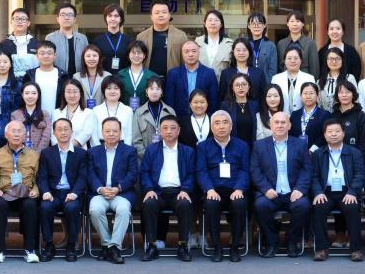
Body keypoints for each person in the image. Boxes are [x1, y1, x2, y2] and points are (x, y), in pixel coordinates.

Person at [250, 112, 312, 258]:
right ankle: (272, 242)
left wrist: (300, 189)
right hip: (270, 192)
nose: (279, 125)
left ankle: (291, 241)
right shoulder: (259, 145)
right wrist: (266, 189)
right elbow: (255, 170)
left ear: (289, 125)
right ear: (270, 125)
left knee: (303, 205)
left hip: (293, 192)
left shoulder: (300, 145)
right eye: (276, 122)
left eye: (283, 122)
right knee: (260, 205)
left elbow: (307, 169)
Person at [140, 115, 196, 262]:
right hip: (157, 192)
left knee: (185, 204)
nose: (169, 131)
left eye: (172, 128)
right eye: (165, 128)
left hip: (179, 192)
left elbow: (192, 174)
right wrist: (149, 189)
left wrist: (185, 190)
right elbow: (144, 172)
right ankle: (151, 246)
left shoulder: (188, 151)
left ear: (179, 131)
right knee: (149, 203)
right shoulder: (151, 150)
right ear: (160, 131)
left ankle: (182, 246)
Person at [195, 110, 249, 262]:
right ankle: (217, 247)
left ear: (231, 126)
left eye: (225, 123)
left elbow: (245, 170)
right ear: (212, 128)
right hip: (214, 189)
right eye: (217, 123)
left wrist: (239, 188)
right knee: (211, 204)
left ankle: (235, 246)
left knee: (240, 203)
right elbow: (201, 171)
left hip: (235, 189)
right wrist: (209, 189)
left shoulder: (242, 146)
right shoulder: (203, 146)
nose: (221, 126)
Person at [310, 118, 365, 262]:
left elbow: (360, 175)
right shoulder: (318, 154)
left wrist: (352, 192)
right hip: (325, 191)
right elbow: (313, 176)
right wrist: (318, 192)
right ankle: (321, 249)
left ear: (343, 133)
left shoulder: (354, 153)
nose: (333, 134)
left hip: (347, 191)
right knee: (318, 207)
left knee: (352, 207)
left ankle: (355, 249)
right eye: (330, 132)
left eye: (337, 131)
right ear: (324, 135)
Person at [88, 117, 140, 264]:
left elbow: (133, 174)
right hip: (100, 193)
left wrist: (118, 188)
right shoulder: (93, 152)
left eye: (115, 131)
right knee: (95, 209)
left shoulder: (130, 151)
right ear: (102, 133)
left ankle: (113, 247)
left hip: (122, 193)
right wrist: (100, 189)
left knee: (123, 210)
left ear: (120, 133)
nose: (111, 134)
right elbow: (90, 174)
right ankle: (109, 246)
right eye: (108, 131)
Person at [0, 121, 42, 263]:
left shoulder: (34, 155)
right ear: (6, 135)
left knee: (30, 205)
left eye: (20, 131)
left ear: (25, 136)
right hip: (5, 193)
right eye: (13, 131)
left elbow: (40, 178)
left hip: (26, 193)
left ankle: (30, 249)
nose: (16, 134)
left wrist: (36, 189)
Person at [38, 118, 90, 262]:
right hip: (53, 193)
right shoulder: (46, 153)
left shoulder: (81, 153)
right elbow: (42, 176)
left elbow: (83, 177)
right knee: (45, 207)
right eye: (59, 129)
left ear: (72, 131)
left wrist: (75, 193)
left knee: (72, 208)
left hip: (72, 193)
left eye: (66, 129)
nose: (63, 132)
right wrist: (45, 191)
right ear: (54, 133)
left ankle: (71, 245)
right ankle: (49, 245)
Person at [165, 40, 219, 117]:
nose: (190, 54)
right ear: (182, 54)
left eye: (194, 51)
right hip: (179, 118)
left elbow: (214, 100)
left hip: (203, 118)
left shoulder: (209, 73)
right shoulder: (173, 74)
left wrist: (208, 118)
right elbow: (169, 100)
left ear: (199, 52)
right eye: (186, 51)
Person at [137, 1, 189, 75]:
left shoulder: (181, 36)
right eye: (157, 13)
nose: (161, 15)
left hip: (173, 78)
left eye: (164, 12)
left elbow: (185, 60)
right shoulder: (141, 36)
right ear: (151, 16)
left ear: (169, 15)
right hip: (148, 78)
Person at [23, 40, 69, 119]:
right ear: (37, 55)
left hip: (58, 118)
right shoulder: (29, 75)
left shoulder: (64, 76)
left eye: (49, 53)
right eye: (42, 53)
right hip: (34, 119)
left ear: (55, 55)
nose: (46, 56)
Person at [132, 76, 176, 157]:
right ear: (146, 91)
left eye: (158, 89)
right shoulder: (139, 112)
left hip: (167, 156)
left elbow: (174, 137)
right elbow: (136, 140)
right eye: (151, 89)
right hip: (145, 158)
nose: (154, 92)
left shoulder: (170, 112)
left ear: (161, 92)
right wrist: (147, 156)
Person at [330, 80, 365, 162]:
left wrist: (359, 161)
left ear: (353, 95)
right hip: (335, 159)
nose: (344, 95)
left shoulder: (360, 115)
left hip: (355, 160)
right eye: (341, 92)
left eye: (348, 92)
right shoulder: (332, 116)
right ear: (337, 95)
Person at [218, 37, 267, 104]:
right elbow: (222, 97)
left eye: (244, 50)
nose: (241, 53)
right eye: (238, 50)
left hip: (255, 109)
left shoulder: (259, 73)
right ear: (233, 52)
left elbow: (263, 96)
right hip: (232, 109)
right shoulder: (225, 73)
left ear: (249, 52)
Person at [46, 2, 90, 76]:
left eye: (70, 15)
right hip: (57, 78)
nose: (66, 18)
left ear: (75, 19)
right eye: (63, 15)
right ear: (58, 19)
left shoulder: (82, 38)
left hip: (79, 79)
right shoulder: (50, 38)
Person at [54, 79, 98, 148]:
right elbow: (53, 135)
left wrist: (68, 147)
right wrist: (59, 148)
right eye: (68, 92)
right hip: (58, 151)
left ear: (80, 93)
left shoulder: (89, 112)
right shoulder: (56, 113)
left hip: (80, 151)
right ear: (63, 94)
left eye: (75, 92)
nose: (72, 95)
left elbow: (86, 133)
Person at [115, 40, 159, 110]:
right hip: (124, 112)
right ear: (128, 55)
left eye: (139, 53)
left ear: (144, 55)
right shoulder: (119, 75)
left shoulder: (153, 76)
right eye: (133, 53)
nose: (136, 55)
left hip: (145, 113)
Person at [271, 47, 317, 113]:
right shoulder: (276, 79)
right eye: (289, 58)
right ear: (285, 61)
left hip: (303, 116)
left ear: (301, 60)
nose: (292, 61)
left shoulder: (309, 78)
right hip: (282, 116)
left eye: (296, 58)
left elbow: (313, 102)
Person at [9, 82, 53, 152]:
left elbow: (46, 138)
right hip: (20, 154)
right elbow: (14, 136)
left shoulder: (45, 114)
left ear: (38, 95)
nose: (30, 96)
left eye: (34, 93)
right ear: (22, 95)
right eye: (27, 93)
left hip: (40, 154)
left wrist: (36, 154)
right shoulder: (15, 115)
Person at [92, 76, 135, 146]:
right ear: (104, 91)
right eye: (109, 88)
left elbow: (129, 135)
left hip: (122, 146)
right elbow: (94, 135)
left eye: (116, 88)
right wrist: (98, 150)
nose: (112, 91)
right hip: (101, 146)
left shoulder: (128, 110)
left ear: (121, 91)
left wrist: (126, 150)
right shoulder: (96, 110)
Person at [219, 73, 260, 146]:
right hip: (233, 147)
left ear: (249, 86)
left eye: (244, 84)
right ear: (232, 88)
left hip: (253, 146)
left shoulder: (255, 105)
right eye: (237, 85)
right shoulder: (225, 105)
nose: (240, 87)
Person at [0, 7, 40, 79]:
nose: (20, 21)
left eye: (23, 19)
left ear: (28, 23)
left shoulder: (37, 44)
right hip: (10, 83)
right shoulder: (3, 45)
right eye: (16, 19)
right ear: (11, 22)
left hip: (31, 83)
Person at [276, 10, 320, 77]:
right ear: (287, 24)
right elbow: (279, 67)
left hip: (305, 80)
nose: (295, 24)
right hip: (285, 80)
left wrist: (312, 82)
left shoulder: (310, 43)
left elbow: (314, 68)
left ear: (303, 24)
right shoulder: (281, 44)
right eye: (292, 21)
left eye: (298, 21)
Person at [290, 81, 332, 150]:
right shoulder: (295, 114)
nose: (308, 96)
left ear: (317, 95)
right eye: (305, 93)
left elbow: (325, 135)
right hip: (296, 151)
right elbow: (291, 134)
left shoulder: (325, 115)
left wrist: (312, 150)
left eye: (311, 93)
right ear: (301, 96)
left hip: (317, 152)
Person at [196, 9, 234, 82]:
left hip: (222, 84)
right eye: (210, 20)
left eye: (216, 20)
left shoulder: (229, 44)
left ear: (221, 24)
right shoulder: (197, 43)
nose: (213, 23)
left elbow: (233, 68)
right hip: (200, 84)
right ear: (205, 23)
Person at [93, 4, 132, 73]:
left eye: (116, 16)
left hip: (124, 77)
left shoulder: (129, 41)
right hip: (103, 78)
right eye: (110, 16)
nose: (113, 19)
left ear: (121, 19)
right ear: (106, 18)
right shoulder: (97, 41)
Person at [73, 45, 111, 109]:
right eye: (88, 56)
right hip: (83, 112)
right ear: (83, 58)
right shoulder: (76, 77)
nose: (91, 59)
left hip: (102, 113)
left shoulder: (107, 76)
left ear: (99, 58)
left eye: (95, 56)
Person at [0, 50, 23, 119]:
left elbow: (19, 108)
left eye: (5, 62)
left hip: (11, 121)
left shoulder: (18, 85)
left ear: (10, 64)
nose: (2, 65)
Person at [246, 12, 279, 84]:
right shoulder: (245, 44)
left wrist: (267, 85)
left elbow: (273, 70)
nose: (256, 26)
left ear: (264, 25)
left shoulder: (271, 46)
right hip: (247, 84)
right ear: (249, 26)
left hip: (266, 84)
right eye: (253, 23)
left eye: (259, 23)